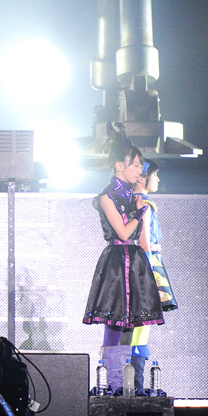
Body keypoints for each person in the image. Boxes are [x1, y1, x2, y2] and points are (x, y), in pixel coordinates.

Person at [82, 123, 164, 394]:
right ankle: (114, 383)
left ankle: (127, 385)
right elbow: (123, 232)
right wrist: (140, 212)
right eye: (136, 165)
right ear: (120, 166)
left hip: (135, 262)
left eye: (141, 165)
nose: (140, 170)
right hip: (117, 262)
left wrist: (140, 209)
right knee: (115, 323)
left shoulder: (134, 197)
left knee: (131, 325)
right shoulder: (107, 197)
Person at [125, 157, 177, 393]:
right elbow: (144, 242)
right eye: (155, 175)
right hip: (146, 264)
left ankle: (133, 384)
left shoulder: (131, 202)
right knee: (141, 324)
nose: (158, 180)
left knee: (137, 326)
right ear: (143, 178)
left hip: (140, 264)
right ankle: (135, 387)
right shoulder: (143, 204)